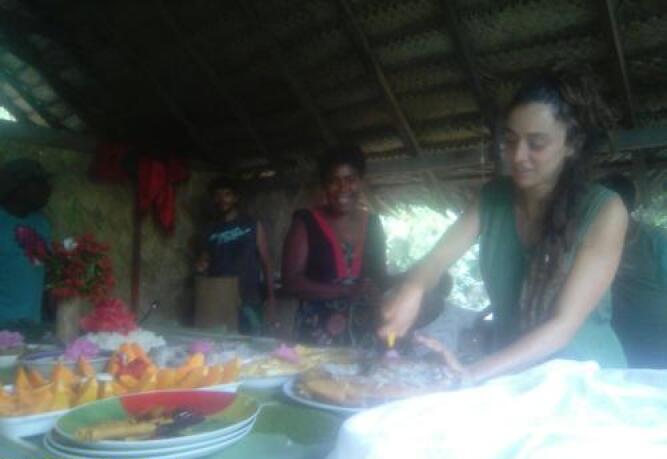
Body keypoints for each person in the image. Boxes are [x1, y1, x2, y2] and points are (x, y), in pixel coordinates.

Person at [380, 70, 629, 385]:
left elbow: (562, 327)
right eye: (511, 141)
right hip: (511, 378)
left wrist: (470, 374)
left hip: (585, 381)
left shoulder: (605, 210)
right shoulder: (492, 199)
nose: (518, 156)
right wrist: (413, 288)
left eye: (536, 144)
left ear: (572, 145)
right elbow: (435, 261)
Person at [281, 145, 390, 346]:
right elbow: (291, 282)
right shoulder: (306, 222)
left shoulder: (373, 224)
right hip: (316, 332)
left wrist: (407, 281)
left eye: (350, 179)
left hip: (364, 332)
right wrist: (346, 290)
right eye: (334, 181)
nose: (343, 188)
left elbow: (379, 277)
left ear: (360, 181)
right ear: (324, 185)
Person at [599, 174, 667, 368]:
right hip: (617, 341)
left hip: (658, 339)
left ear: (627, 207)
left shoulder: (655, 241)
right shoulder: (590, 245)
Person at [196, 177, 275, 335]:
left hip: (249, 298)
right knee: (219, 344)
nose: (222, 199)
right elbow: (204, 261)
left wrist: (271, 297)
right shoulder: (208, 229)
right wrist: (201, 266)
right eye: (217, 195)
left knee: (253, 343)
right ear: (213, 199)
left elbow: (266, 261)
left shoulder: (252, 224)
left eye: (227, 194)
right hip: (219, 297)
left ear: (235, 198)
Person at [0, 158, 52, 327]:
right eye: (39, 184)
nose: (47, 189)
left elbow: (42, 269)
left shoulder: (41, 223)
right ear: (18, 188)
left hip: (32, 323)